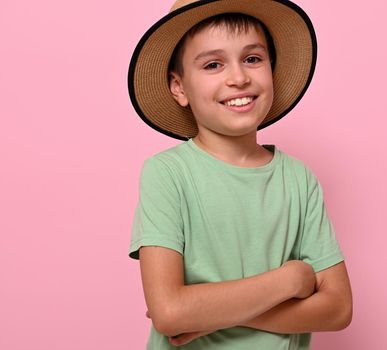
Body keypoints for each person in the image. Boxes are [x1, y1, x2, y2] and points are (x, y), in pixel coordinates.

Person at [127, 0, 353, 348]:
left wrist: (209, 313)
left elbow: (338, 309)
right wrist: (290, 280)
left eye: (252, 58)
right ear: (179, 87)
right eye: (213, 64)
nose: (238, 77)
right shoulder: (167, 174)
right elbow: (170, 313)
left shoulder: (299, 179)